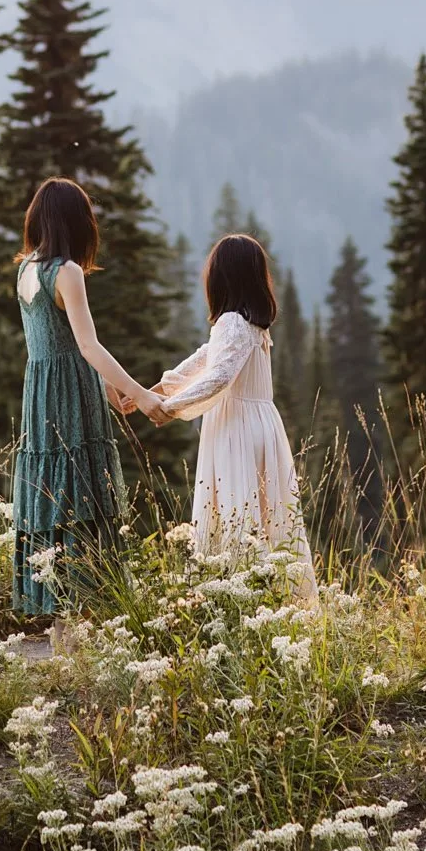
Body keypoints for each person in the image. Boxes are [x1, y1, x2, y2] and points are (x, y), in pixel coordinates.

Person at [13, 177, 167, 617]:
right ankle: (85, 621)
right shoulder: (67, 271)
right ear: (76, 223)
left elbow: (58, 345)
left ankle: (60, 625)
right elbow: (87, 346)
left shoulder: (25, 270)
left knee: (54, 495)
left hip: (41, 396)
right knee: (82, 495)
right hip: (70, 398)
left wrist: (110, 391)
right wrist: (139, 393)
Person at [155, 232, 316, 597]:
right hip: (263, 426)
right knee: (270, 515)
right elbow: (205, 358)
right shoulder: (254, 327)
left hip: (236, 428)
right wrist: (163, 390)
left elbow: (219, 375)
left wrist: (170, 407)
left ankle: (234, 596)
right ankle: (280, 597)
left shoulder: (230, 322)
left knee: (233, 510)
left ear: (221, 277)